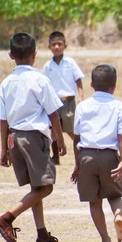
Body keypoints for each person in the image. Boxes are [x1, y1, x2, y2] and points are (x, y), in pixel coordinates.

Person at [0, 32, 66, 242]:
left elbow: (3, 118)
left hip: (14, 136)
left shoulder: (6, 83)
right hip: (34, 137)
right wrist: (59, 139)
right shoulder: (40, 78)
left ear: (10, 55)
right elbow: (53, 113)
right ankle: (7, 218)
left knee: (37, 187)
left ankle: (42, 234)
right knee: (46, 187)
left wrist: (4, 149)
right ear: (35, 54)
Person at [70, 64, 122, 242]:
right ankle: (118, 216)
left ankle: (105, 240)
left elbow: (76, 138)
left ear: (91, 85)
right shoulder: (119, 106)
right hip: (109, 156)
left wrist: (77, 163)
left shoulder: (82, 106)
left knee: (94, 201)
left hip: (86, 155)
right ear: (114, 86)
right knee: (114, 194)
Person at [43, 31, 85, 164]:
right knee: (54, 130)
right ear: (49, 47)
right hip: (54, 102)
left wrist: (81, 96)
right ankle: (55, 157)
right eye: (53, 44)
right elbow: (44, 84)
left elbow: (78, 79)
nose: (56, 47)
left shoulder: (70, 62)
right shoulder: (47, 66)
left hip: (68, 102)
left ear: (65, 45)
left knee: (71, 130)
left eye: (59, 44)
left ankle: (83, 152)